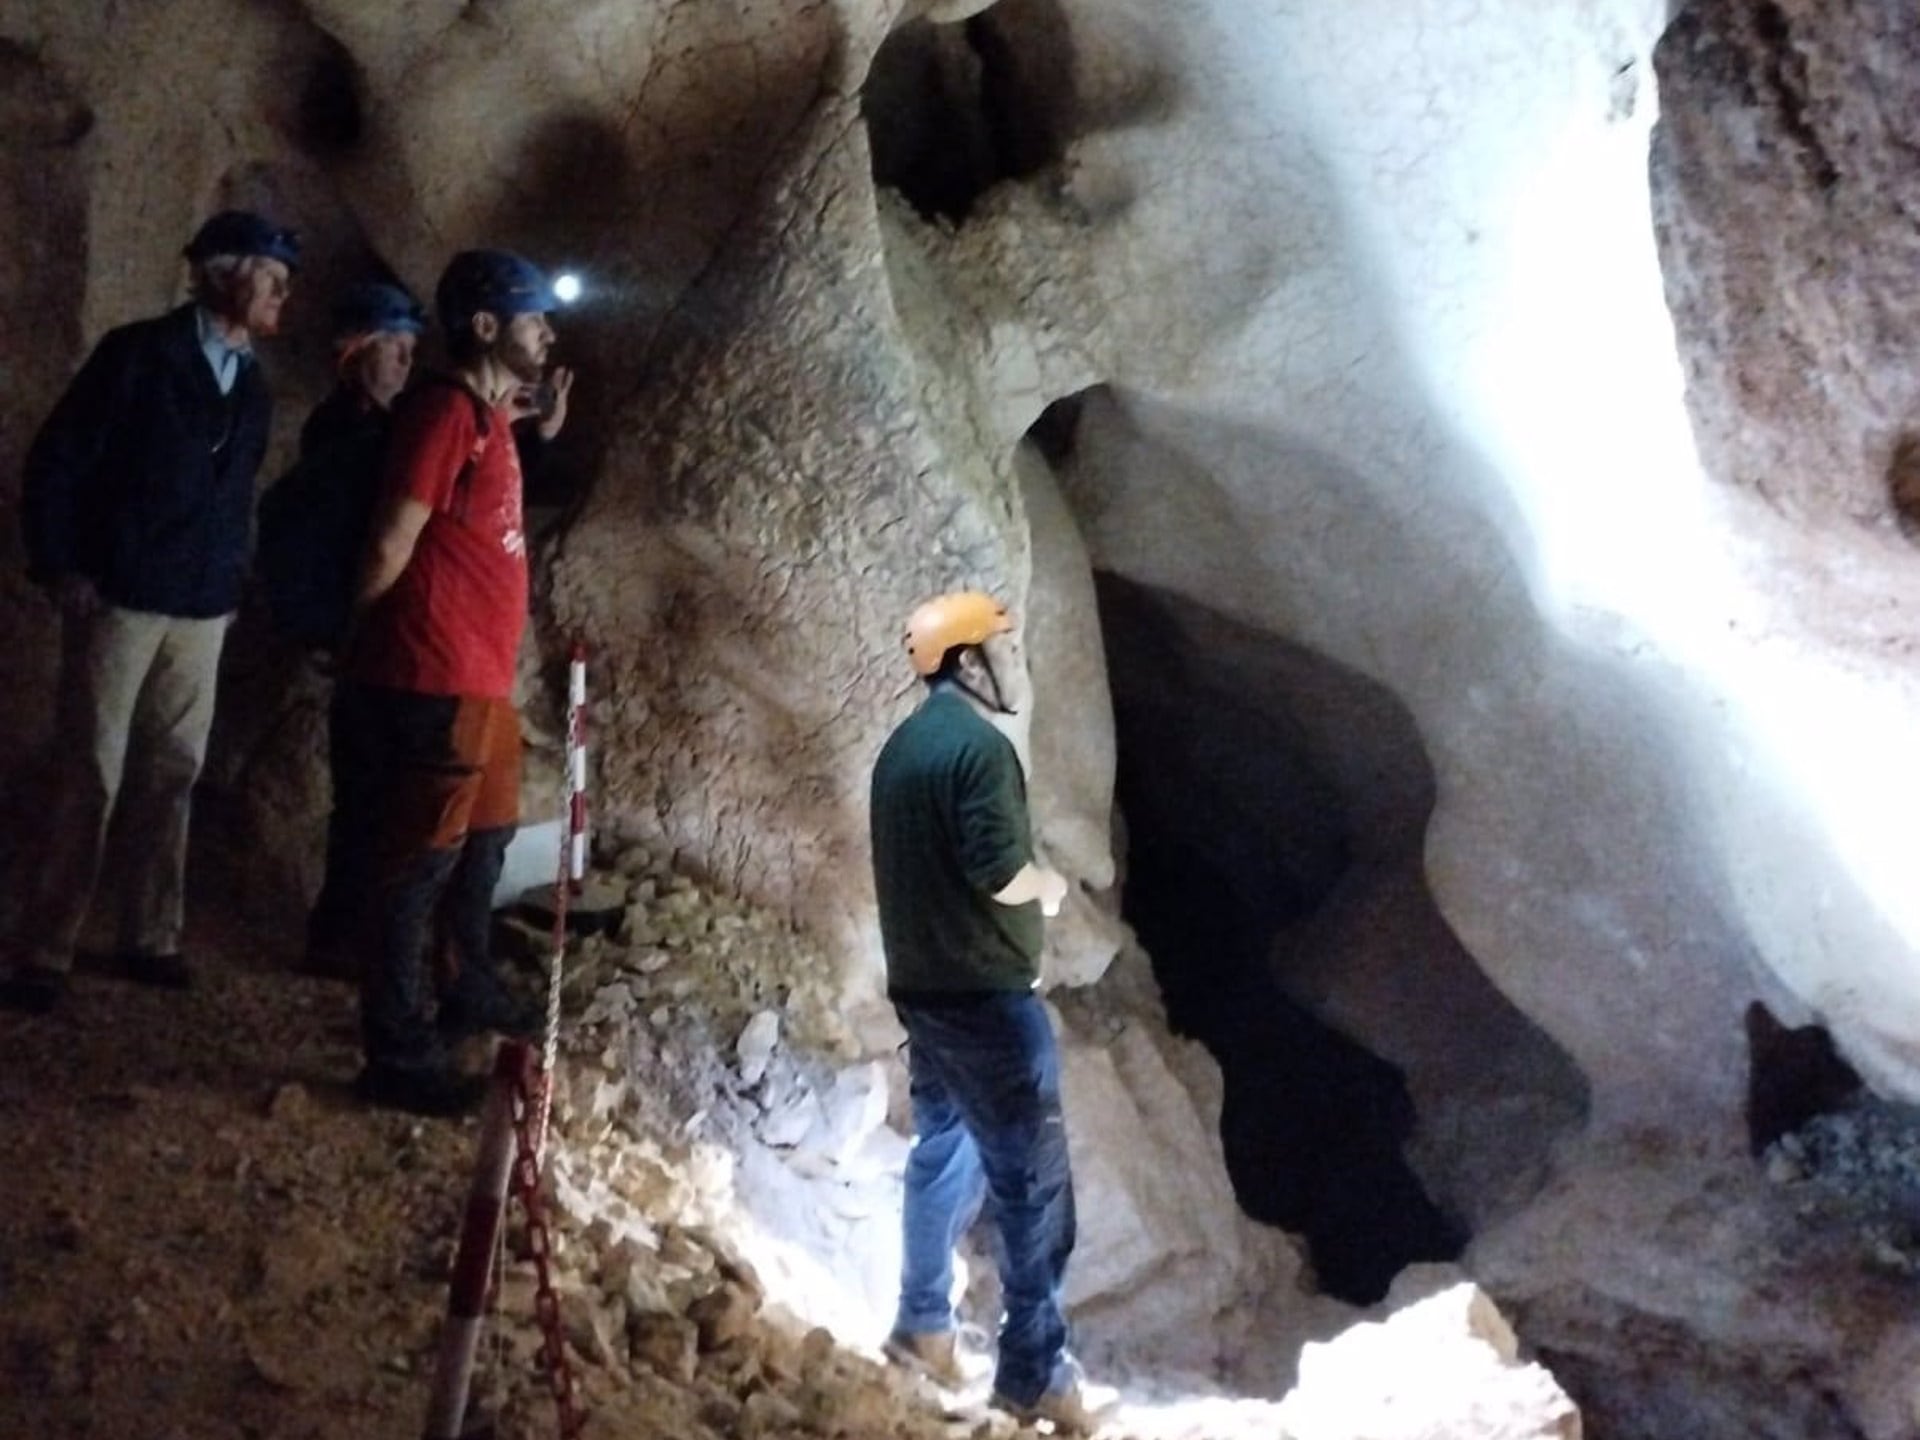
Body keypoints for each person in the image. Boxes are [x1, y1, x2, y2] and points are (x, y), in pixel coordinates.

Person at [2, 210, 298, 1013]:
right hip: (122, 595)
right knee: (89, 769)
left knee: (173, 772)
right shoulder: (137, 356)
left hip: (200, 604)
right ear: (225, 274)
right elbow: (60, 458)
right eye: (272, 277)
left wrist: (230, 584)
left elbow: (238, 497)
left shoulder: (254, 385)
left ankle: (151, 936)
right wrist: (61, 563)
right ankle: (45, 947)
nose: (282, 294)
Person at [341, 249, 562, 1115]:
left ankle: (463, 987)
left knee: (483, 848)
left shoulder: (489, 418)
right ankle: (396, 1054)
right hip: (432, 674)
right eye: (533, 317)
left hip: (480, 681)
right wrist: (358, 635)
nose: (547, 332)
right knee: (415, 872)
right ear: (483, 326)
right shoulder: (442, 416)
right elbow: (394, 540)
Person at [869, 590, 1094, 1434]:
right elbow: (1000, 871)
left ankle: (922, 1326)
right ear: (964, 660)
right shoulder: (978, 749)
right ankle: (1035, 1371)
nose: (1007, 665)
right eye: (996, 650)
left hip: (925, 997)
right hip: (989, 1004)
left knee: (944, 1152)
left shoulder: (900, 752)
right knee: (1033, 1187)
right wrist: (1051, 888)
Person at [258, 281, 428, 980]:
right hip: (362, 635)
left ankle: (350, 934)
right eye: (390, 349)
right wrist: (329, 627)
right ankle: (345, 938)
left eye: (409, 351)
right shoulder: (347, 436)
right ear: (353, 354)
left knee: (375, 795)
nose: (402, 364)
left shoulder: (376, 432)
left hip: (377, 633)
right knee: (368, 797)